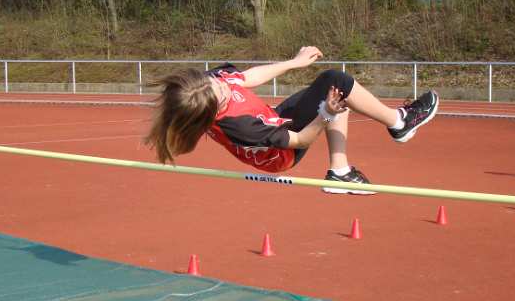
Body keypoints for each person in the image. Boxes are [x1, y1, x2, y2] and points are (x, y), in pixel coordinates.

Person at [145, 46, 439, 194]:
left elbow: (246, 78)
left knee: (337, 92)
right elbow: (300, 140)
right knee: (335, 83)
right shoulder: (239, 125)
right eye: (221, 94)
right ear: (211, 112)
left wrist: (294, 63)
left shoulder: (206, 84)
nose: (223, 85)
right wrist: (325, 114)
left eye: (217, 83)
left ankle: (340, 172)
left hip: (275, 118)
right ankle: (400, 123)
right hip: (281, 152)